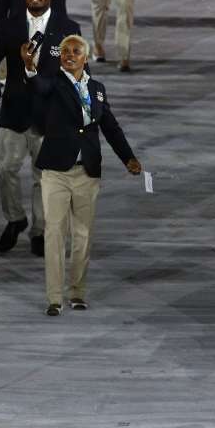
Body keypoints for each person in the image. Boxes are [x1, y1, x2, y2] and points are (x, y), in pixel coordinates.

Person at [26, 34, 140, 314]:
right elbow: (38, 86)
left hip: (87, 172)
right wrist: (29, 68)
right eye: (65, 51)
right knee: (54, 233)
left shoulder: (98, 89)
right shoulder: (53, 83)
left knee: (83, 235)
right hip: (56, 172)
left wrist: (128, 158)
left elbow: (111, 128)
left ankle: (77, 292)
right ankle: (54, 298)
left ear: (85, 58)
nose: (70, 55)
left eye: (76, 51)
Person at [0, 0, 79, 257]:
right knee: (5, 169)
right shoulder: (10, 26)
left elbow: (75, 76)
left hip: (50, 117)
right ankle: (15, 219)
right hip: (14, 111)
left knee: (44, 177)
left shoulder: (68, 29)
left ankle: (39, 231)